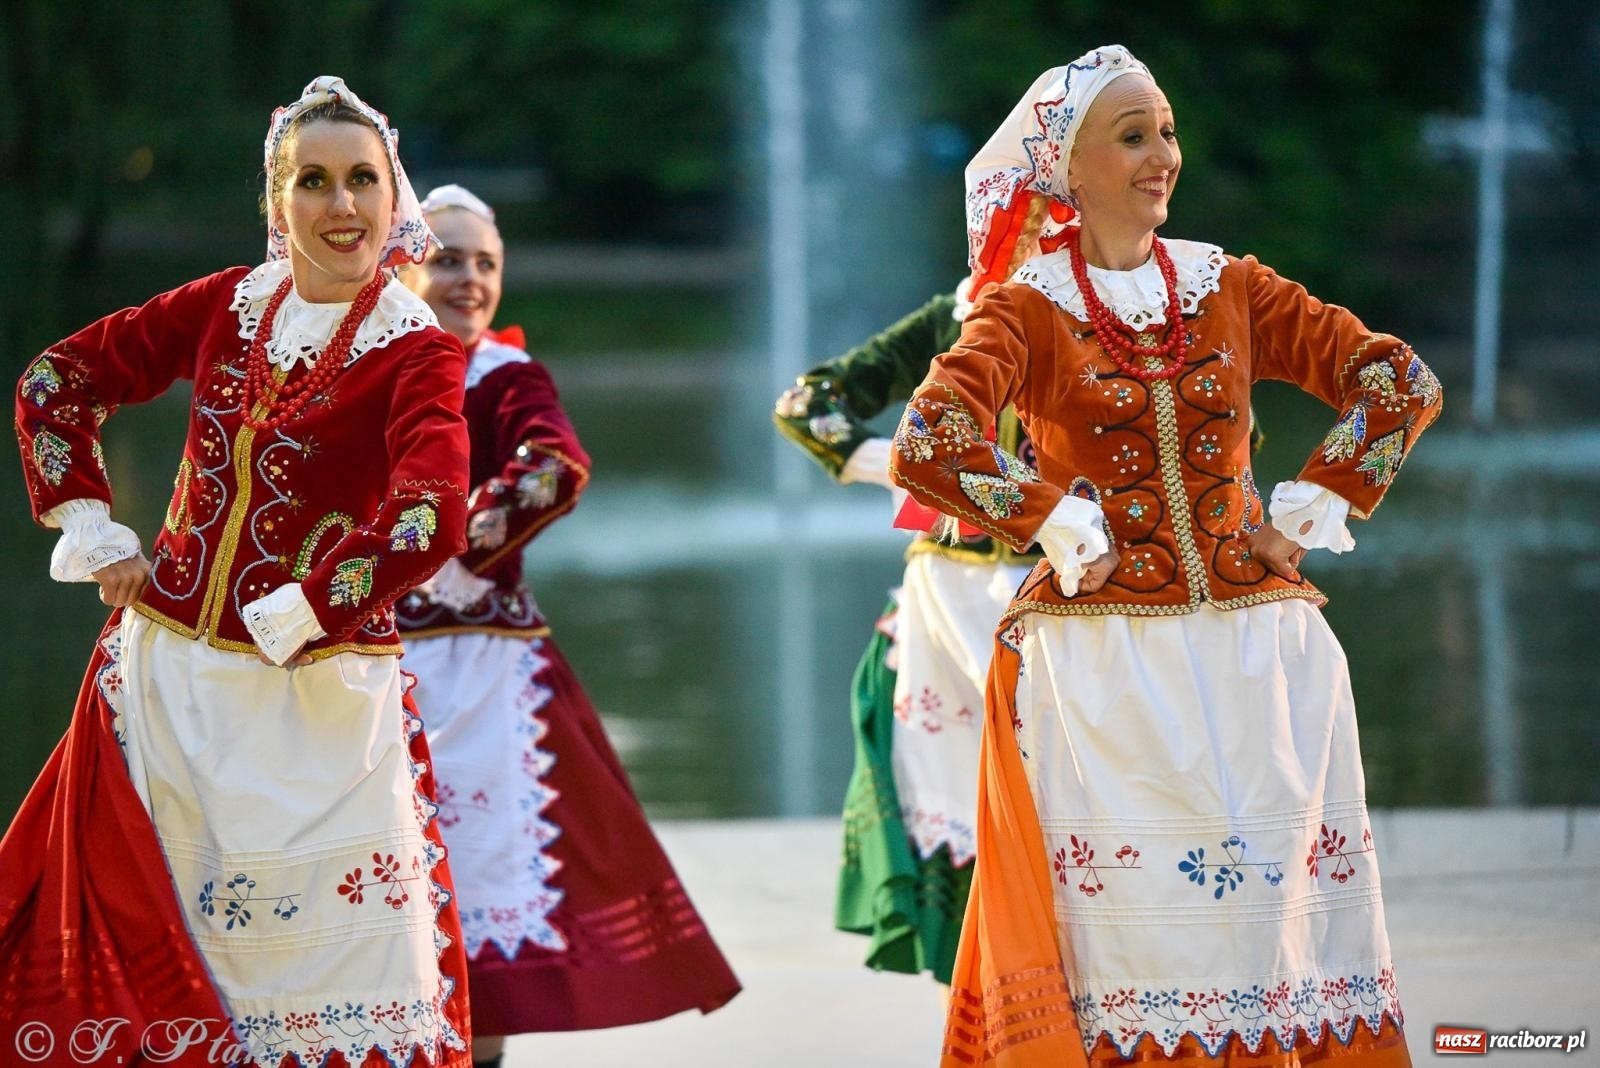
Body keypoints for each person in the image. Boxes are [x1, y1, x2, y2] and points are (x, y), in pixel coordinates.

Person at [889, 47, 1441, 1067]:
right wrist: (1052, 520)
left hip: (1260, 662)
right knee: (1140, 954)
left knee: (1270, 946)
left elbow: (1398, 380)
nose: (1162, 155)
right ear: (1068, 166)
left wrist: (1310, 505)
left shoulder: (1229, 284)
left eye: (1169, 131)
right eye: (1133, 135)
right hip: (1106, 674)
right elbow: (929, 439)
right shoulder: (1026, 305)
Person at [4, 77, 476, 1068]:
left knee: (327, 994)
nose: (341, 205)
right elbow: (57, 380)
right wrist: (93, 526)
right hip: (164, 694)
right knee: (149, 971)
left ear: (394, 196)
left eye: (362, 180)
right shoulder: (228, 303)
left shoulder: (417, 351)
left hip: (319, 713)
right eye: (313, 181)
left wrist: (311, 605)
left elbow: (429, 513)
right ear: (276, 200)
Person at [774, 219, 1264, 989]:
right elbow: (807, 404)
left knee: (1093, 797)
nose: (1043, 235)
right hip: (959, 601)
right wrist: (892, 464)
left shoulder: (1130, 318)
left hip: (1086, 591)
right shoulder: (960, 318)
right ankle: (996, 1000)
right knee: (980, 798)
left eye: (1056, 219)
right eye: (1025, 220)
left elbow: (1225, 429)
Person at [395, 184, 741, 1067]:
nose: (470, 279)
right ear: (402, 267)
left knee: (483, 906)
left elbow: (555, 463)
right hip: (366, 668)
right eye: (448, 259)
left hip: (481, 680)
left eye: (486, 263)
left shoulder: (505, 376)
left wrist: (456, 544)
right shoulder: (363, 371)